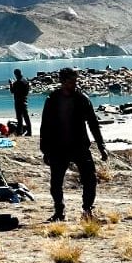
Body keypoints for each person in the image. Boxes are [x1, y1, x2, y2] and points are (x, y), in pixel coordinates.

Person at [39, 67, 108, 222]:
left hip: (79, 146)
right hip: (58, 147)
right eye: (71, 81)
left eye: (75, 81)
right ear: (62, 81)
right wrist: (45, 150)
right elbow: (45, 126)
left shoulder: (82, 98)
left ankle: (87, 210)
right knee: (56, 183)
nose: (74, 84)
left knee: (90, 179)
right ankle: (59, 211)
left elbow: (93, 123)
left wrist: (101, 145)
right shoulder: (53, 99)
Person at [10, 68, 32, 137]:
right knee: (26, 117)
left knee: (19, 117)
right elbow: (27, 91)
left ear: (15, 74)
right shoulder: (25, 81)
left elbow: (12, 91)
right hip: (24, 100)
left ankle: (20, 131)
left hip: (18, 101)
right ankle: (29, 132)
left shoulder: (17, 83)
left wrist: (11, 83)